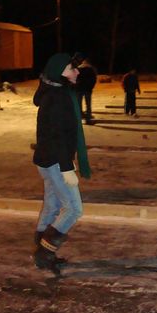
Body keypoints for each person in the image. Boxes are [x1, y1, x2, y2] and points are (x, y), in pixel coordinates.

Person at [33, 52, 91, 275]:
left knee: (52, 205)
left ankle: (40, 249)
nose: (77, 72)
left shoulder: (55, 92)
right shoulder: (57, 98)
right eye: (71, 69)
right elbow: (57, 136)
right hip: (56, 162)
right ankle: (45, 252)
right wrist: (67, 168)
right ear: (60, 74)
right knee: (74, 209)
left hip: (47, 160)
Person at [76, 57, 97, 124]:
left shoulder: (78, 69)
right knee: (88, 105)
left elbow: (75, 79)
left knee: (79, 105)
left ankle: (79, 120)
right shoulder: (91, 69)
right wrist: (91, 87)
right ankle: (88, 119)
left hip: (79, 89)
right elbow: (94, 80)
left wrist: (76, 87)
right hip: (88, 90)